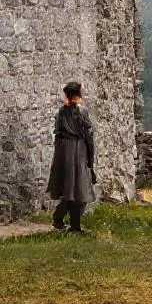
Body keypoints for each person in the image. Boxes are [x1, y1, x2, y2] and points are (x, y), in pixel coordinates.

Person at [47, 81, 97, 232]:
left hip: (65, 153)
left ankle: (66, 221)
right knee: (79, 191)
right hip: (77, 152)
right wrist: (91, 159)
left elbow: (57, 136)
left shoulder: (62, 112)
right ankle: (69, 223)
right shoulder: (81, 113)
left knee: (71, 191)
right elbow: (89, 136)